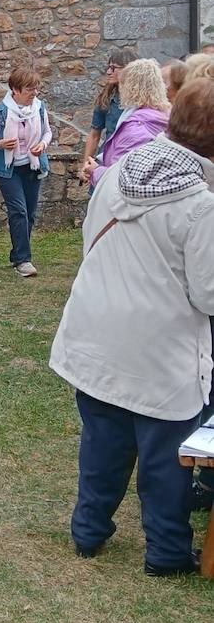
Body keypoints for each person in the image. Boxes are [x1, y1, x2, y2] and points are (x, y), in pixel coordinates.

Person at [50, 78, 214, 576]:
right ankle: (165, 553)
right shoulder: (202, 203)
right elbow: (208, 293)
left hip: (98, 327)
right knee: (165, 457)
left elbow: (90, 239)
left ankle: (88, 531)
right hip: (158, 347)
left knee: (102, 440)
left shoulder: (120, 169)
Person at [0, 65, 52, 278]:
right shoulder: (0, 111)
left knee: (29, 214)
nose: (34, 93)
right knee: (18, 211)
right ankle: (23, 260)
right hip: (8, 170)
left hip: (32, 166)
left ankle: (17, 254)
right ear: (15, 90)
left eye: (36, 89)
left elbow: (48, 133)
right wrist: (0, 144)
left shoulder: (39, 108)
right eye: (30, 89)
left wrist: (43, 146)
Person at [86, 58, 169, 188]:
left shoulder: (137, 127)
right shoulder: (164, 113)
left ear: (131, 87)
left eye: (123, 84)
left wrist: (95, 171)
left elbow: (121, 180)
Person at [78, 47, 137, 180]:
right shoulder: (106, 98)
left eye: (114, 68)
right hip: (107, 160)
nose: (108, 72)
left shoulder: (143, 102)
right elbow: (94, 135)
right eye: (108, 67)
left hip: (131, 163)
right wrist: (86, 165)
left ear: (128, 70)